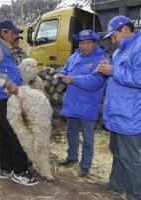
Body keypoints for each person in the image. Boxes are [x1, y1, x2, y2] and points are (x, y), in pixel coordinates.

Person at [0, 19, 39, 186]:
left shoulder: (3, 47)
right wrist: (7, 83)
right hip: (2, 97)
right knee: (17, 133)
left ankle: (6, 168)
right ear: (3, 32)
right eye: (13, 33)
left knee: (6, 134)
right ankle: (20, 172)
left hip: (4, 97)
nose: (15, 36)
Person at [97, 15, 141, 200]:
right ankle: (117, 185)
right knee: (116, 151)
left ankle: (136, 193)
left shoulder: (138, 47)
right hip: (117, 113)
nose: (112, 41)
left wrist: (113, 70)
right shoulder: (118, 51)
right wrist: (106, 68)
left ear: (125, 29)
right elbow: (118, 75)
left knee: (129, 157)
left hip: (130, 114)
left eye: (114, 36)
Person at [57, 29, 107, 177]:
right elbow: (66, 70)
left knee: (88, 138)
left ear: (94, 43)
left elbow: (96, 82)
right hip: (72, 103)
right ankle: (71, 157)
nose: (85, 46)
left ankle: (85, 166)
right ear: (78, 44)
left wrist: (74, 80)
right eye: (82, 43)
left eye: (88, 43)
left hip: (88, 105)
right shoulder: (73, 57)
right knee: (71, 133)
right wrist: (61, 75)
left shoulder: (101, 59)